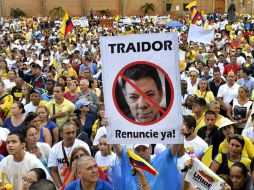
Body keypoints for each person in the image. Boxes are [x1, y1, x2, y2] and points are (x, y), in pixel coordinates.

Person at [48, 122, 91, 189]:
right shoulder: (54, 149)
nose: (71, 135)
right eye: (68, 133)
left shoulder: (83, 146)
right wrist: (61, 187)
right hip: (63, 184)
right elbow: (54, 171)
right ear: (61, 134)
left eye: (73, 132)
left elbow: (89, 166)